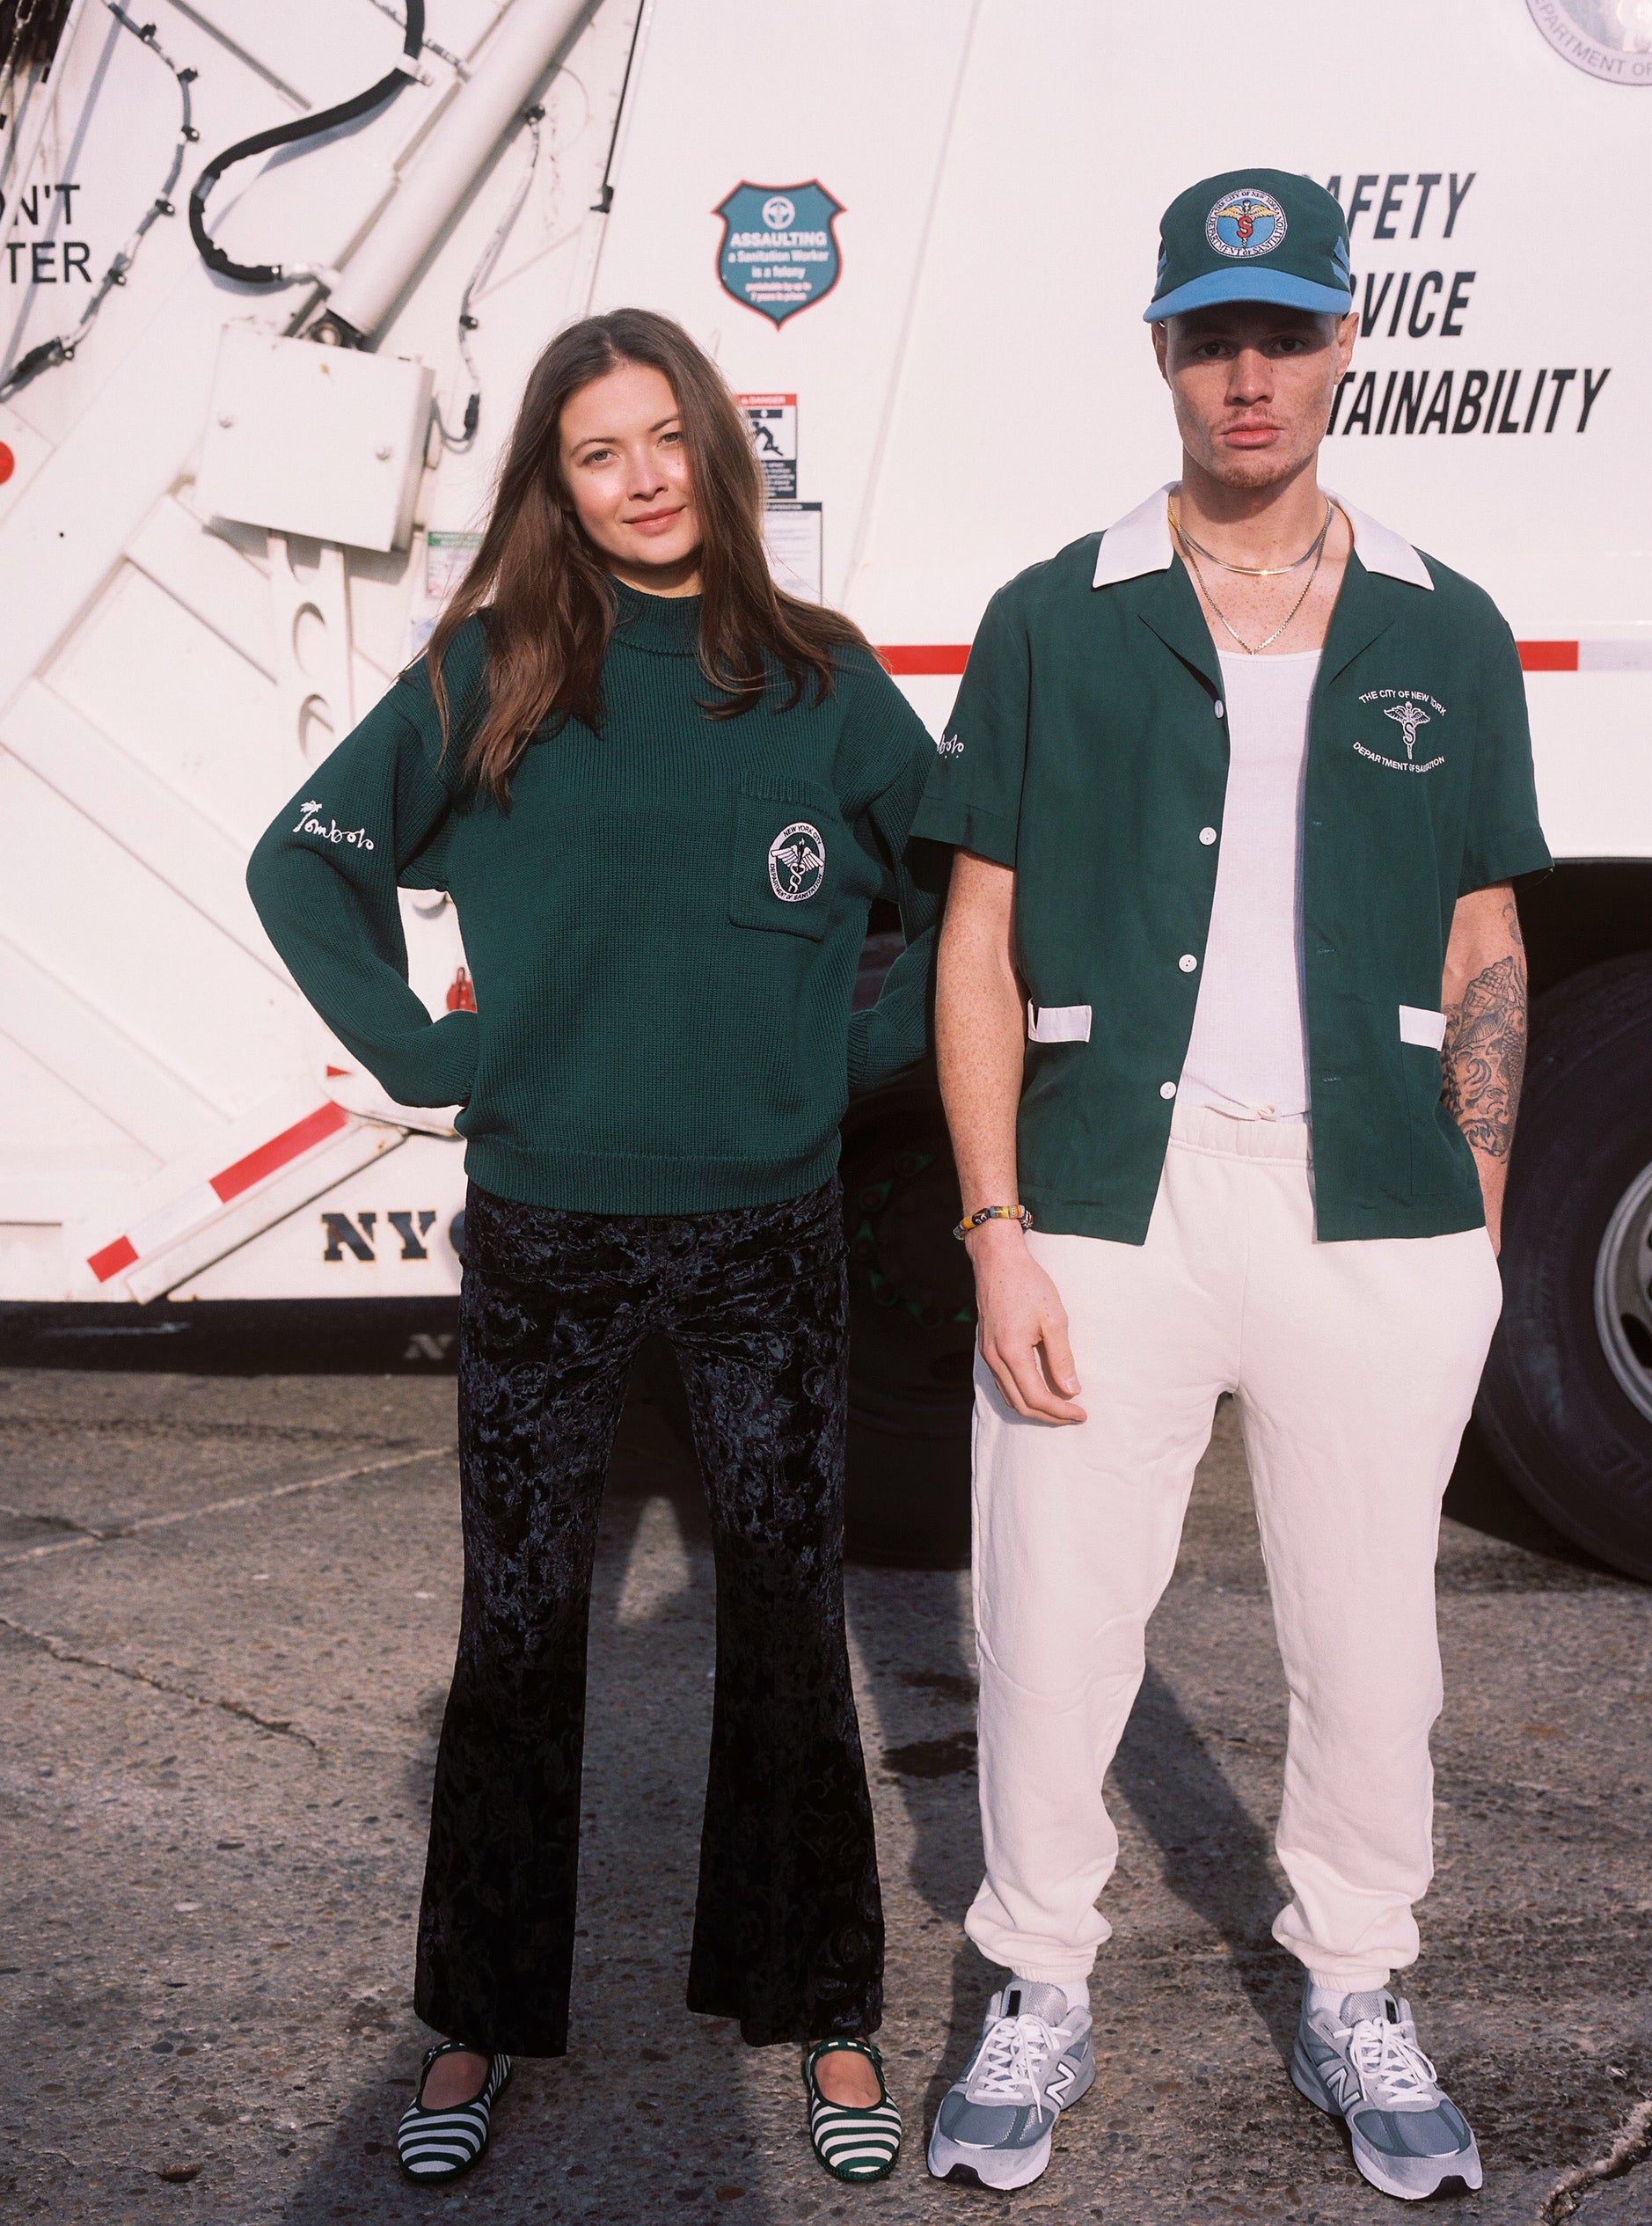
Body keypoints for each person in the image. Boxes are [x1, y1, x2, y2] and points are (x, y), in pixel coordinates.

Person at [246, 309, 945, 2189]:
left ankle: (824, 2005)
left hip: (763, 1228)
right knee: (519, 1625)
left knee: (786, 1619)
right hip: (548, 1227)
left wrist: (841, 1064)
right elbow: (301, 858)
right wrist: (419, 1050)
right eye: (596, 451)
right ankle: (475, 2017)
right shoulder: (493, 670)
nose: (641, 478)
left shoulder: (823, 681)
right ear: (555, 483)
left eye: (663, 437)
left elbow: (972, 893)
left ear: (714, 444)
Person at [914, 170, 1550, 2201]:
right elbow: (975, 938)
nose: (1247, 371)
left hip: (1374, 1212)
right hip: (1111, 1203)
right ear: (1162, 353)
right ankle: (1035, 1975)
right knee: (1048, 1627)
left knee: (1370, 1650)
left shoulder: (1446, 621)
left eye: (1283, 331)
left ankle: (1356, 1979)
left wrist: (1477, 1225)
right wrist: (995, 1227)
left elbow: (1483, 934)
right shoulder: (1052, 613)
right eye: (1211, 335)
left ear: (1345, 341)